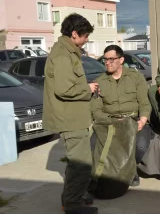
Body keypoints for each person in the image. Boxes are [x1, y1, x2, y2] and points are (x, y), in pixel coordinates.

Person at [42, 13, 98, 214]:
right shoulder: (63, 55)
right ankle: (73, 204)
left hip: (74, 117)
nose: (86, 40)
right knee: (81, 164)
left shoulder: (68, 51)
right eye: (85, 36)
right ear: (74, 34)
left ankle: (76, 196)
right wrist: (88, 89)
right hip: (70, 119)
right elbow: (64, 89)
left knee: (77, 162)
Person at [90, 45, 152, 187]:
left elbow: (144, 103)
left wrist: (142, 120)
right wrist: (109, 121)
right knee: (93, 144)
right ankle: (107, 171)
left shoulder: (136, 77)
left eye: (111, 59)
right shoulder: (99, 81)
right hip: (109, 122)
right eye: (105, 59)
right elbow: (96, 109)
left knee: (140, 146)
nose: (107, 62)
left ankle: (131, 169)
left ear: (121, 59)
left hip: (133, 120)